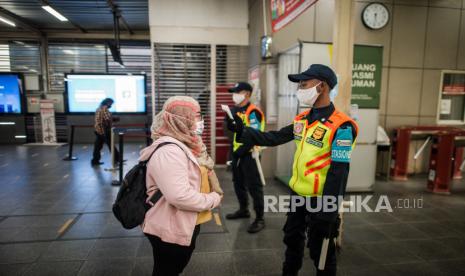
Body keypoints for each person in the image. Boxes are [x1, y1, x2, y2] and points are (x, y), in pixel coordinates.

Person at [227, 64, 358, 276]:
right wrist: (243, 131)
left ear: (322, 86)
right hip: (298, 196)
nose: (300, 89)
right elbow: (274, 137)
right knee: (292, 242)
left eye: (304, 84)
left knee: (321, 252)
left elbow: (338, 173)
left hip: (320, 200)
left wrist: (328, 213)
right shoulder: (302, 120)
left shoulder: (342, 126)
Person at [141, 96, 223, 276]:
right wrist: (213, 199)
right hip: (170, 225)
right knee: (167, 270)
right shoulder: (170, 151)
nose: (201, 121)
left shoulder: (188, 144)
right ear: (181, 119)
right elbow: (180, 196)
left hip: (184, 221)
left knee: (172, 269)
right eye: (197, 115)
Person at [224, 82, 266, 233]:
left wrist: (241, 150)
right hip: (236, 153)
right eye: (234, 92)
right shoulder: (234, 110)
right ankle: (244, 209)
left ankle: (260, 218)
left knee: (254, 187)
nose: (234, 94)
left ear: (247, 94)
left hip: (249, 154)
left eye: (237, 92)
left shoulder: (253, 112)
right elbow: (231, 131)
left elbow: (254, 136)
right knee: (238, 183)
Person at [91, 98, 120, 166]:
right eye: (111, 103)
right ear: (108, 103)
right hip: (104, 130)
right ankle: (117, 159)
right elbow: (107, 119)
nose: (111, 105)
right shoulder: (104, 109)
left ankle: (95, 160)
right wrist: (114, 119)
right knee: (111, 145)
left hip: (98, 130)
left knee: (98, 146)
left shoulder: (99, 108)